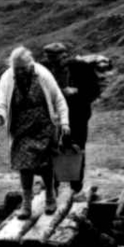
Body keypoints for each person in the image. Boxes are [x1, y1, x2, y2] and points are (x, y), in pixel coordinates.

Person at [0, 46, 69, 219]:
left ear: (30, 65)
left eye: (22, 69)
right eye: (16, 69)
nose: (19, 72)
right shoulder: (7, 77)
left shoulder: (43, 75)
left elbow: (58, 99)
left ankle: (50, 195)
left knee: (45, 164)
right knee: (24, 165)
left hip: (43, 126)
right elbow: (1, 99)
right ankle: (26, 203)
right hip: (21, 129)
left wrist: (64, 122)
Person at [40, 41, 104, 196]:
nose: (54, 62)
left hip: (77, 115)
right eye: (51, 59)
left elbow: (94, 90)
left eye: (57, 58)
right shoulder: (42, 69)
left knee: (76, 147)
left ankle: (76, 187)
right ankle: (51, 185)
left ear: (65, 55)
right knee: (50, 148)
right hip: (51, 116)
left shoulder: (81, 67)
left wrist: (77, 92)